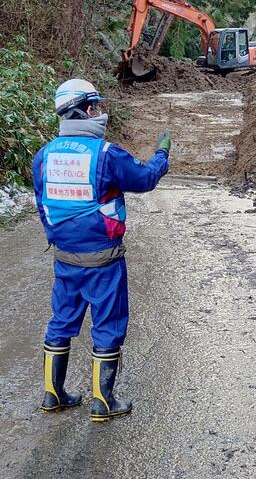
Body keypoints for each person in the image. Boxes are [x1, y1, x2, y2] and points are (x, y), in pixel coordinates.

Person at [32, 79, 171, 422]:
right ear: (86, 110)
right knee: (108, 324)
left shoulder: (43, 156)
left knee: (61, 321)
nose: (100, 112)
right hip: (103, 260)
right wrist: (162, 154)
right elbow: (144, 179)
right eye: (96, 106)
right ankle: (103, 402)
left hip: (65, 259)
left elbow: (42, 204)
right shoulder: (106, 155)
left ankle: (53, 394)